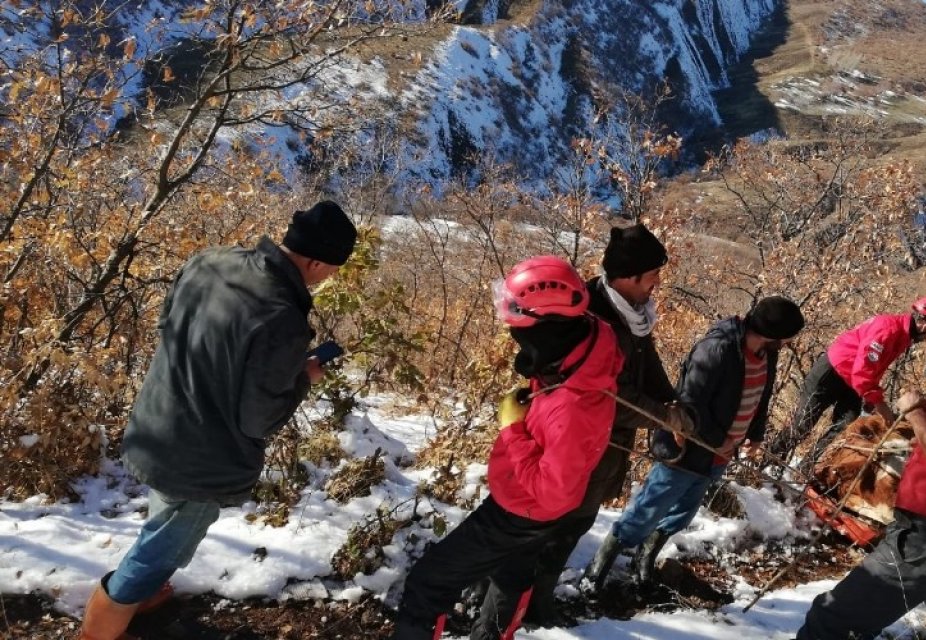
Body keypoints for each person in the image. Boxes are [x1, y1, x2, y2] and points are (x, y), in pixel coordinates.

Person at [79, 202, 359, 640]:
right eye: (333, 270)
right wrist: (303, 378)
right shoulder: (283, 317)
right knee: (160, 548)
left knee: (162, 526)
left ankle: (140, 598)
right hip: (203, 458)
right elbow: (258, 420)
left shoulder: (210, 261)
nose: (329, 278)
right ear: (317, 261)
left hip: (157, 424)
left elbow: (171, 325)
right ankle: (102, 628)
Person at [392, 256, 623, 640]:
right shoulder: (584, 341)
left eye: (519, 318)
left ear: (547, 326)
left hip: (522, 509)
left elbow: (555, 491)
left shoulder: (574, 404)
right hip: (527, 503)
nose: (511, 326)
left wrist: (513, 429)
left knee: (428, 585)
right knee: (512, 574)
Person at [470, 223, 683, 636]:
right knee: (541, 534)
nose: (657, 285)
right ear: (628, 276)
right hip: (573, 446)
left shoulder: (632, 316)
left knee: (570, 528)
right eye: (652, 276)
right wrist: (664, 416)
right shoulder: (587, 319)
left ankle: (533, 604)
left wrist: (670, 401)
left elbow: (647, 362)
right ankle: (502, 609)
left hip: (603, 451)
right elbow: (608, 398)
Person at [794, 315, 926, 640]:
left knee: (829, 617)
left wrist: (915, 413)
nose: (925, 354)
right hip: (920, 536)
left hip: (925, 542)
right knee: (851, 624)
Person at [585, 296, 805, 589]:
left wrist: (755, 434)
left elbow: (761, 397)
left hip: (719, 454)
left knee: (683, 511)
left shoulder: (767, 353)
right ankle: (596, 573)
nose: (789, 342)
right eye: (788, 337)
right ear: (773, 334)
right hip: (686, 449)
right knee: (649, 508)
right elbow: (691, 406)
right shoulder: (717, 350)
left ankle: (644, 562)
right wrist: (721, 441)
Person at [768, 296, 926, 469]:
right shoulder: (889, 328)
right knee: (803, 424)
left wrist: (870, 400)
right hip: (832, 372)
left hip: (852, 382)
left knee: (844, 427)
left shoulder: (903, 335)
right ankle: (768, 462)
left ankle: (806, 469)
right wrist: (880, 404)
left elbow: (873, 368)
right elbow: (863, 370)